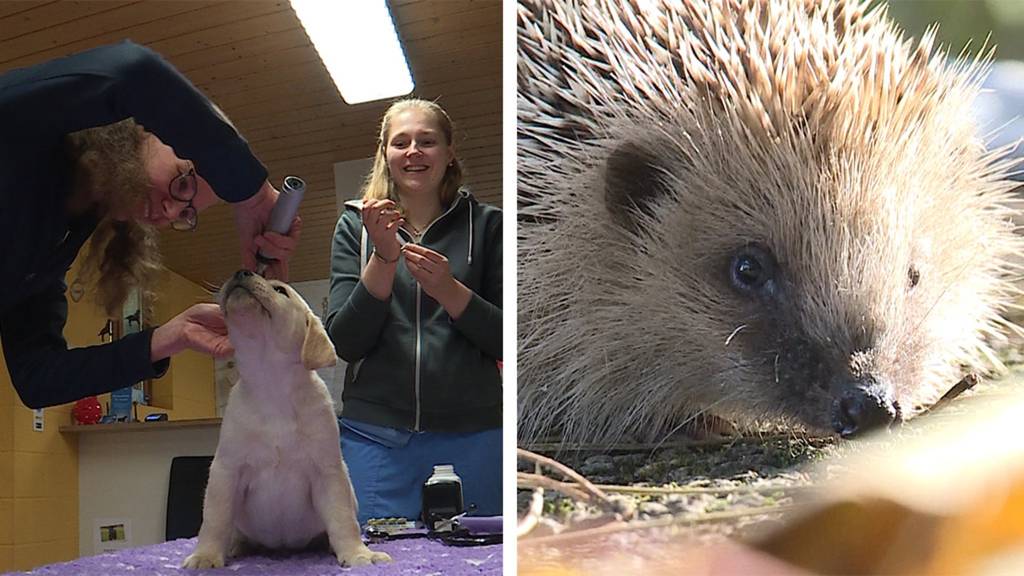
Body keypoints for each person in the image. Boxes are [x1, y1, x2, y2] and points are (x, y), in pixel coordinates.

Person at [0, 40, 300, 409]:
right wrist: (250, 194)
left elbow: (38, 379)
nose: (173, 212)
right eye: (184, 182)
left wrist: (170, 337)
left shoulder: (53, 247)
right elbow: (132, 71)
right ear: (145, 130)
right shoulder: (26, 131)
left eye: (187, 214)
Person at [326, 98, 502, 524]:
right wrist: (383, 259)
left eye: (427, 141)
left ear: (448, 152)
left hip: (474, 434)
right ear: (385, 154)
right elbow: (345, 342)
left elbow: (506, 339)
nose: (414, 152)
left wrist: (447, 289)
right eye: (400, 142)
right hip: (375, 438)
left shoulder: (488, 225)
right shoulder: (354, 228)